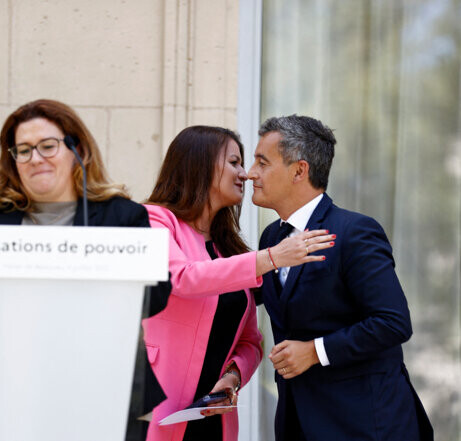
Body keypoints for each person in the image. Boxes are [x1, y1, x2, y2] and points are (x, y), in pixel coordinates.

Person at [141, 125, 334, 441]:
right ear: (198, 164)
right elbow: (183, 278)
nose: (244, 174)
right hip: (157, 409)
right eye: (234, 162)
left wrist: (233, 376)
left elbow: (249, 340)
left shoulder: (228, 250)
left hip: (211, 418)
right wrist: (271, 257)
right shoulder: (155, 220)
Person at [248, 115, 433, 441]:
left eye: (262, 163)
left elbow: (393, 322)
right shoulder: (270, 240)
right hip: (297, 422)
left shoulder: (354, 232)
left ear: (299, 170)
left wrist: (314, 351)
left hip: (366, 424)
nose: (251, 173)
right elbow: (240, 299)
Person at [0, 99, 149, 227]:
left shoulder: (123, 218)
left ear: (77, 150)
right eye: (24, 150)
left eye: (47, 146)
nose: (36, 160)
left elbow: (154, 282)